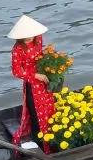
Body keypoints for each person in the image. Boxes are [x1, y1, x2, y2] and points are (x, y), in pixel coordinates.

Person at [8, 15, 57, 146]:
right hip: (32, 83)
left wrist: (50, 63)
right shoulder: (17, 50)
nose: (28, 38)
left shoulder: (38, 38)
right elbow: (16, 71)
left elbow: (41, 54)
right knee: (36, 114)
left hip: (43, 78)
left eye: (31, 35)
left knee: (49, 108)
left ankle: (52, 137)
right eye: (25, 36)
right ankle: (40, 142)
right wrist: (35, 75)